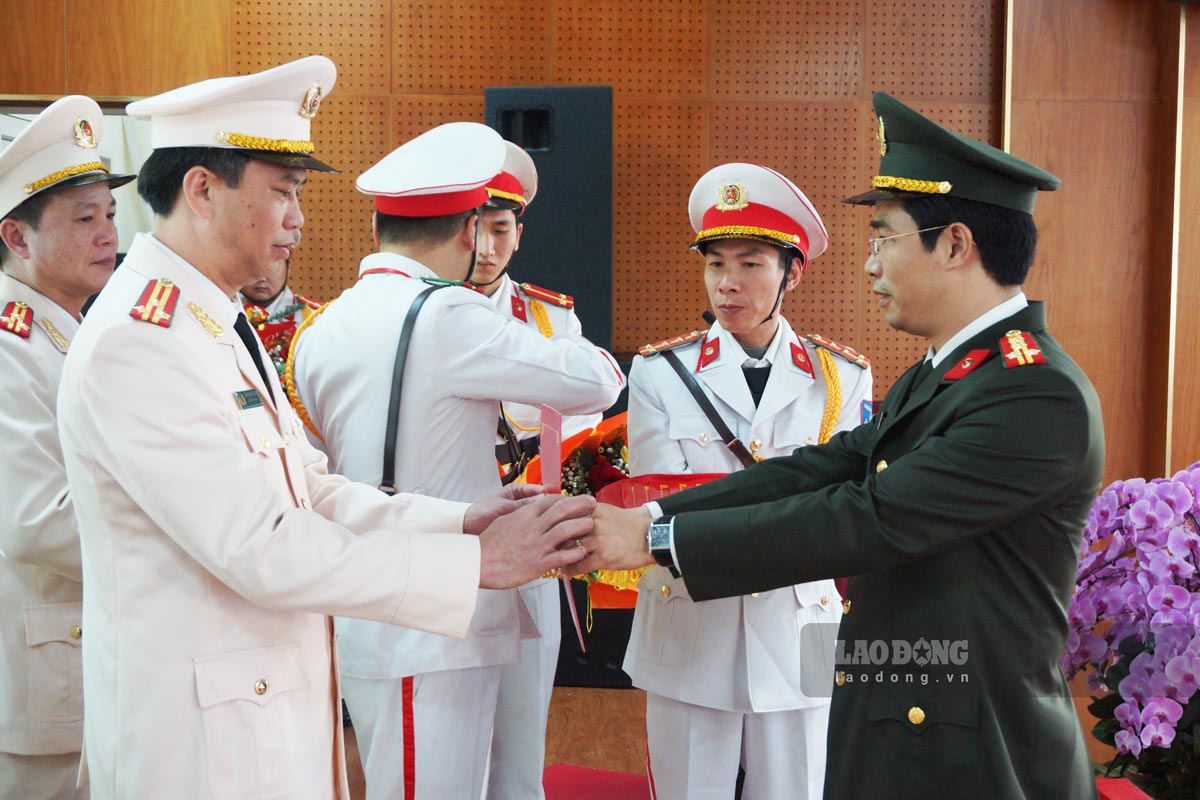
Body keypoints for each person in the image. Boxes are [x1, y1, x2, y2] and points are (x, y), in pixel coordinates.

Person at [55, 58, 593, 800]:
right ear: (202, 190)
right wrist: (475, 563)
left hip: (260, 711)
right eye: (283, 192)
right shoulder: (141, 340)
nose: (298, 219)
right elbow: (262, 547)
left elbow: (306, 485)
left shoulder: (211, 317)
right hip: (199, 746)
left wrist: (458, 521)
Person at [579, 91, 1104, 800]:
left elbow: (867, 515)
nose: (869, 266)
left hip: (976, 742)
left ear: (954, 244)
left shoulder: (1031, 393)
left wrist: (659, 539)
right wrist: (651, 519)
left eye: (884, 239)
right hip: (909, 706)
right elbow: (827, 467)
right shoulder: (946, 373)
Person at [289, 121, 625, 800]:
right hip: (436, 618)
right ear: (470, 231)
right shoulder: (448, 313)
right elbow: (599, 380)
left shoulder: (322, 326)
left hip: (366, 597)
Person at [624, 162, 872, 800]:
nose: (727, 283)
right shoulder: (661, 372)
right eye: (715, 264)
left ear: (793, 272)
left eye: (751, 264)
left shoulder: (840, 377)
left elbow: (839, 506)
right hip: (690, 617)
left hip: (800, 622)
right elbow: (665, 503)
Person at [0, 95, 134, 800]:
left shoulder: (66, 329)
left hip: (85, 656)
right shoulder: (11, 346)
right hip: (45, 671)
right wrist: (179, 540)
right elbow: (34, 521)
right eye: (83, 219)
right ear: (17, 238)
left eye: (109, 213)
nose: (108, 234)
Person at [476, 141, 602, 800]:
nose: (486, 247)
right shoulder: (415, 312)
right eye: (475, 227)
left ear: (519, 233)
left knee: (522, 727)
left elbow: (582, 426)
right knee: (445, 732)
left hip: (528, 534)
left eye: (501, 229)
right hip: (444, 532)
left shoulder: (551, 318)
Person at [238, 256, 321, 379]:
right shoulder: (218, 314)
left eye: (271, 268)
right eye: (252, 267)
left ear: (288, 266)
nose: (261, 278)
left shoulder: (315, 317)